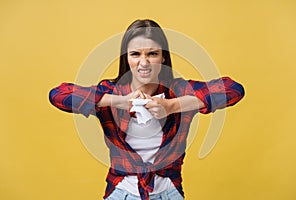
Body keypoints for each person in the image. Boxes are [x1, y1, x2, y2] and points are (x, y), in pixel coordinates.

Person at [49, 19, 245, 200]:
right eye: (135, 54)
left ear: (163, 58)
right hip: (121, 193)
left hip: (169, 193)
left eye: (152, 53)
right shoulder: (112, 92)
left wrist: (172, 106)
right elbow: (58, 95)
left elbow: (233, 89)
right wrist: (119, 101)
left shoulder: (178, 91)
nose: (144, 62)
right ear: (127, 59)